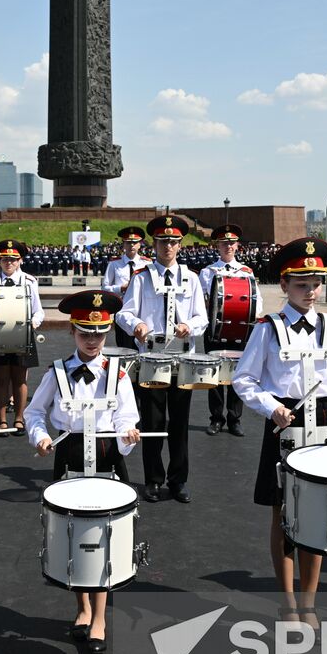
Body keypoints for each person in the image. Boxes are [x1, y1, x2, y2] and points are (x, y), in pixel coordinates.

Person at [232, 238, 327, 635]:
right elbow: (244, 379)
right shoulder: (269, 328)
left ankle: (309, 599)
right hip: (284, 420)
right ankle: (286, 599)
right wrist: (270, 406)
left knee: (319, 512)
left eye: (315, 283)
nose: (310, 292)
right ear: (285, 285)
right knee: (283, 511)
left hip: (324, 421)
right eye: (301, 284)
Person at [26, 290, 141, 654]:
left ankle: (101, 619)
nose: (92, 341)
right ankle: (82, 608)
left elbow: (127, 416)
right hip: (70, 455)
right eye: (84, 333)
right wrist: (41, 437)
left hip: (108, 458)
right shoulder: (56, 372)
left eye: (99, 334)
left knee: (103, 536)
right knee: (75, 535)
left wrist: (129, 435)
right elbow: (33, 413)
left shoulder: (118, 373)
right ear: (72, 332)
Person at [116, 215, 207, 503]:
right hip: (152, 360)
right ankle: (153, 479)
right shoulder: (141, 278)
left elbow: (201, 317)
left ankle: (178, 480)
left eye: (173, 241)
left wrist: (189, 327)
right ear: (153, 244)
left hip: (182, 362)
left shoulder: (191, 279)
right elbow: (123, 313)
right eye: (162, 241)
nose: (168, 246)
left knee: (179, 424)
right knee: (153, 422)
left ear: (181, 245)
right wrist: (137, 326)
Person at [0, 240, 43, 436]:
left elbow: (39, 311)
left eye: (13, 259)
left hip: (24, 335)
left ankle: (19, 419)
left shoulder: (30, 282)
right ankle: (2, 420)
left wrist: (34, 323)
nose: (9, 263)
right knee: (1, 379)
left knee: (20, 380)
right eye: (4, 259)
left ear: (20, 261)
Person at [199, 224, 261, 437]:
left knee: (237, 374)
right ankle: (216, 418)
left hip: (241, 329)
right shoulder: (208, 272)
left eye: (231, 243)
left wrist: (250, 316)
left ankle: (235, 419)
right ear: (217, 245)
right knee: (214, 375)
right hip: (214, 329)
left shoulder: (247, 272)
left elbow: (256, 300)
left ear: (237, 246)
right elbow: (201, 302)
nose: (228, 246)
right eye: (224, 243)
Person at [102, 227, 151, 350]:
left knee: (143, 343)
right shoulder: (114, 264)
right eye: (128, 242)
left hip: (142, 309)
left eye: (135, 242)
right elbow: (104, 288)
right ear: (123, 244)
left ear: (140, 244)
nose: (131, 245)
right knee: (124, 346)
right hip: (122, 309)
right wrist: (120, 288)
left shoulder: (147, 264)